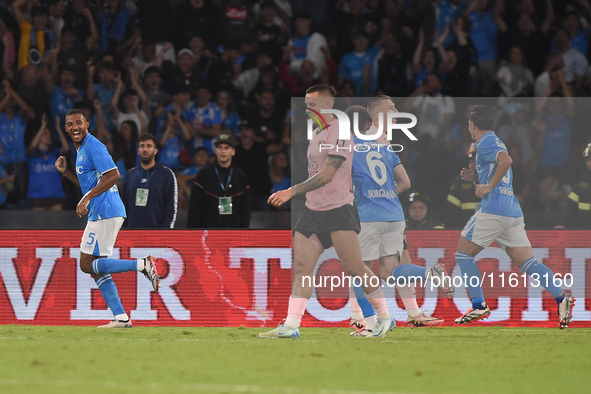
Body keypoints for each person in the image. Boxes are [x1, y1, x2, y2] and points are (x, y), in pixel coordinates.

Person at [259, 84, 393, 339]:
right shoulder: (318, 133)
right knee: (301, 267)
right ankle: (291, 325)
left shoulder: (340, 130)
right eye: (306, 105)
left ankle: (383, 318)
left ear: (329, 105)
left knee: (355, 267)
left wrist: (291, 191)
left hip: (338, 210)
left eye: (313, 105)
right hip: (313, 210)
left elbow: (329, 174)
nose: (308, 110)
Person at [454, 105, 574, 329]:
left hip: (494, 211)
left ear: (472, 124)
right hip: (511, 212)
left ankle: (479, 305)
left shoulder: (486, 142)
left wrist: (488, 186)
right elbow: (498, 166)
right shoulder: (496, 139)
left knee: (463, 255)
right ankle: (561, 296)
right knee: (528, 263)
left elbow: (507, 161)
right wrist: (476, 178)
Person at [346, 99, 453, 336]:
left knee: (359, 269)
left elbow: (343, 179)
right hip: (394, 214)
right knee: (388, 270)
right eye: (390, 107)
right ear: (374, 115)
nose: (396, 111)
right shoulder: (386, 143)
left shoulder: (352, 142)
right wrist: (384, 194)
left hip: (369, 215)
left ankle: (367, 322)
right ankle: (429, 274)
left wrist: (364, 196)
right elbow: (406, 183)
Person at [54, 109, 160, 328]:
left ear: (87, 125)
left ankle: (142, 264)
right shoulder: (81, 150)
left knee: (86, 264)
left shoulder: (93, 145)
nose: (75, 127)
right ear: (66, 128)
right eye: (70, 124)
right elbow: (89, 186)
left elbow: (114, 175)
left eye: (79, 123)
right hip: (101, 210)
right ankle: (121, 317)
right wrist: (66, 174)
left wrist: (86, 199)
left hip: (105, 210)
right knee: (95, 268)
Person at [187, 133, 251, 228]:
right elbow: (194, 208)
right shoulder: (204, 174)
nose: (223, 151)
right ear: (216, 150)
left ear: (233, 151)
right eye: (220, 147)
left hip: (232, 232)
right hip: (207, 231)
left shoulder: (240, 176)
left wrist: (243, 232)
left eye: (226, 148)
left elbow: (245, 209)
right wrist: (193, 234)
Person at [120, 132, 178, 228]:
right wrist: (124, 231)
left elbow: (171, 206)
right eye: (142, 146)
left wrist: (166, 232)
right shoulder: (130, 174)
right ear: (138, 150)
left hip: (157, 234)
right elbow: (123, 205)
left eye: (149, 146)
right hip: (132, 233)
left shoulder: (166, 174)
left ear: (155, 150)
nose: (145, 149)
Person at [445, 142, 479, 228]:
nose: (475, 162)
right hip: (465, 230)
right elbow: (452, 212)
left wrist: (476, 181)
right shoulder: (460, 182)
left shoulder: (495, 178)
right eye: (472, 159)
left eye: (478, 158)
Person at [565, 143, 591, 228]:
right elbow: (571, 205)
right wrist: (563, 224)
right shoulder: (583, 180)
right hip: (583, 232)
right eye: (588, 159)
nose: (589, 163)